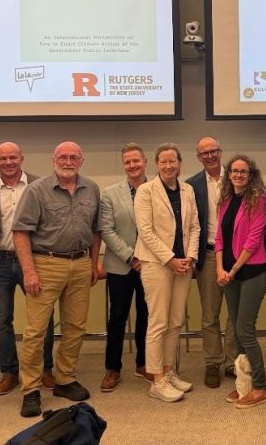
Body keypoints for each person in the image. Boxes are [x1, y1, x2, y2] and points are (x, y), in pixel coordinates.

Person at [12, 142, 102, 417]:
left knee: (75, 326)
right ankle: (30, 389)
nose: (68, 161)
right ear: (54, 159)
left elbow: (96, 231)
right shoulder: (36, 190)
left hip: (81, 263)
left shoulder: (92, 189)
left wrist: (93, 264)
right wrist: (29, 271)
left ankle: (64, 379)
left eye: (74, 157)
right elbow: (20, 232)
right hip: (45, 264)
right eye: (63, 157)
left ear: (81, 161)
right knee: (36, 331)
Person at [0, 142, 55, 396]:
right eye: (3, 158)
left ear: (22, 158)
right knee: (1, 321)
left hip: (33, 261)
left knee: (43, 318)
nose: (8, 162)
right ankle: (9, 372)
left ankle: (45, 369)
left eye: (13, 157)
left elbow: (49, 224)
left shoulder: (39, 184)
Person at [137, 143, 200, 403]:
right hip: (157, 264)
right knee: (159, 322)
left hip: (183, 264)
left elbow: (194, 226)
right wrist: (170, 259)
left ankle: (168, 370)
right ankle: (157, 380)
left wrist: (191, 257)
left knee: (175, 322)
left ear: (180, 163)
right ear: (156, 164)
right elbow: (145, 231)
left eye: (172, 161)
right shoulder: (145, 191)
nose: (168, 166)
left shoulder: (188, 190)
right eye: (163, 161)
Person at [216, 155, 266, 408]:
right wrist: (220, 269)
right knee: (236, 332)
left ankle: (260, 386)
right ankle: (244, 382)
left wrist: (234, 269)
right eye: (234, 171)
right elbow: (219, 238)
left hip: (251, 272)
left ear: (251, 176)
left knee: (245, 330)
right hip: (228, 274)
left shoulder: (258, 200)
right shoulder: (225, 201)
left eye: (243, 171)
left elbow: (253, 239)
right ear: (228, 175)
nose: (238, 175)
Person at [98, 143, 152, 392]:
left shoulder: (158, 189)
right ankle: (113, 368)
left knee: (146, 315)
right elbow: (107, 230)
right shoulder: (109, 193)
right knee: (117, 317)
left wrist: (147, 258)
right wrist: (132, 257)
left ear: (145, 162)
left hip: (151, 265)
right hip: (121, 265)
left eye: (136, 161)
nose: (132, 165)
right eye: (128, 162)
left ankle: (144, 363)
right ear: (123, 165)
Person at [186, 136, 239, 388]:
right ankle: (212, 363)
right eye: (204, 153)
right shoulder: (191, 185)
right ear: (198, 157)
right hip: (207, 255)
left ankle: (232, 362)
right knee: (210, 314)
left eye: (213, 151)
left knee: (235, 313)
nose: (209, 156)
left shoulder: (237, 176)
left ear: (220, 152)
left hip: (236, 255)